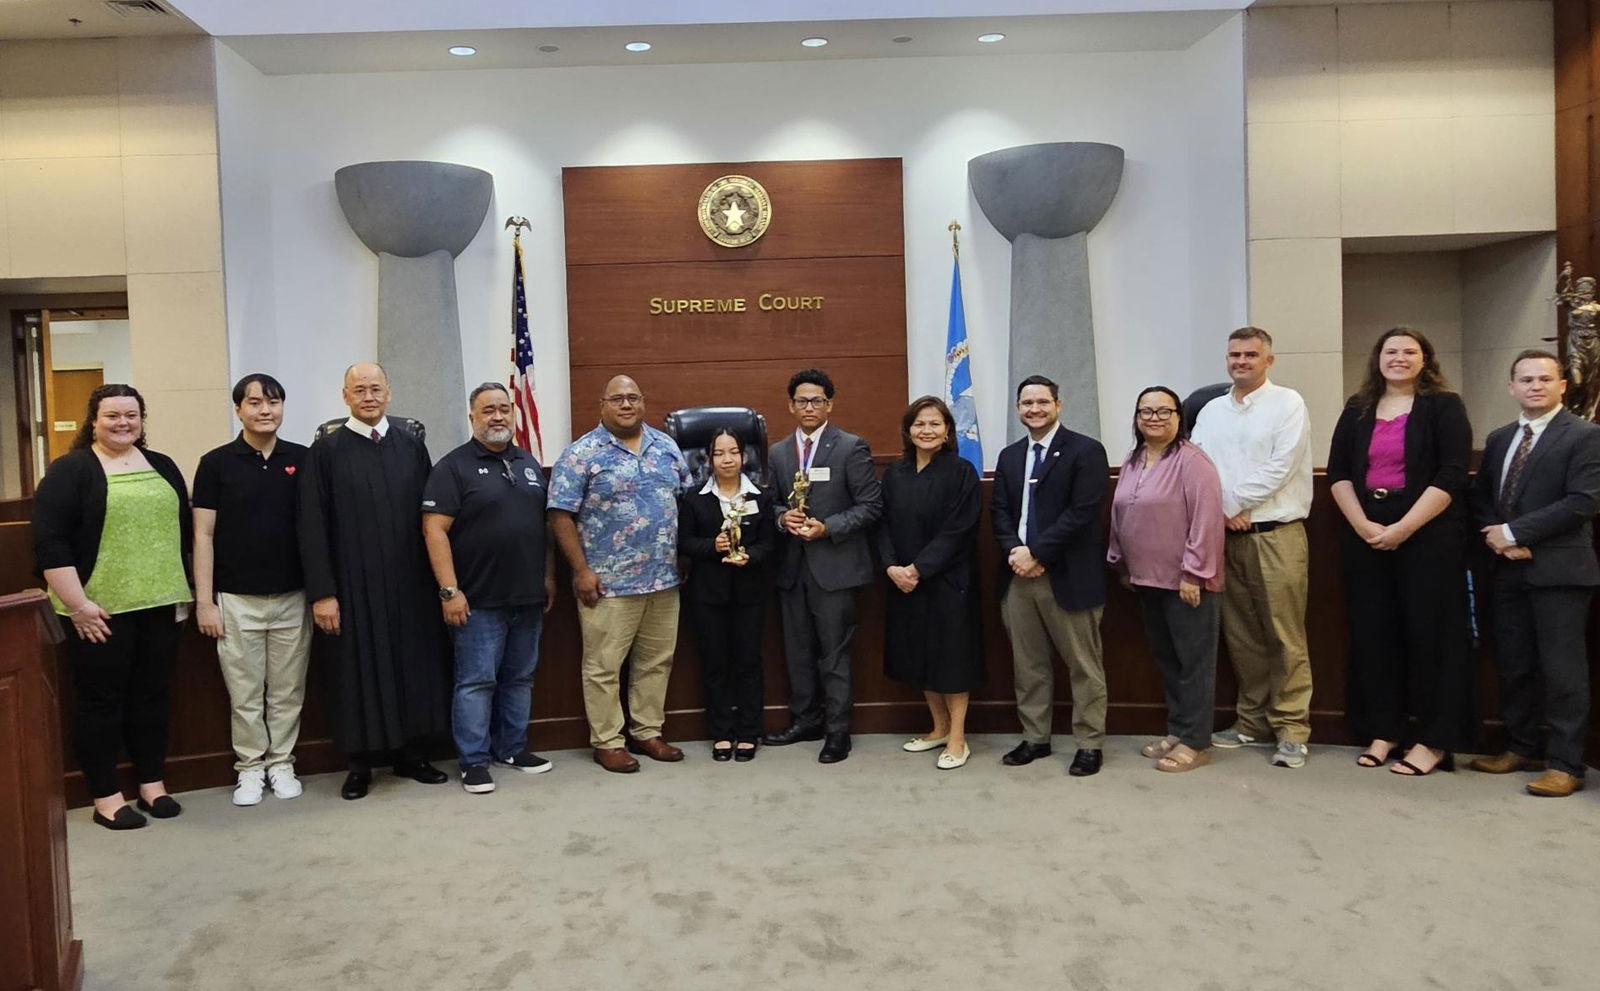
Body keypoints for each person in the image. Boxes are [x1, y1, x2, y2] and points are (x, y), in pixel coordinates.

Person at [32, 384, 192, 830]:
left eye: (131, 415)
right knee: (100, 702)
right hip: (97, 612)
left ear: (142, 420)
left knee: (152, 697)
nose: (123, 423)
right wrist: (78, 605)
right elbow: (50, 543)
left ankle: (152, 785)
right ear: (94, 421)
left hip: (161, 604)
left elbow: (180, 532)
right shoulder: (70, 470)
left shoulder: (162, 465)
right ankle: (106, 797)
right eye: (112, 416)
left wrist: (184, 594)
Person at [1327, 327, 1475, 777]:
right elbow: (1338, 472)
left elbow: (1452, 473)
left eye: (1410, 351)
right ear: (1378, 358)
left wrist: (1404, 528)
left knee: (1432, 639)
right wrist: (1363, 525)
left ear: (1425, 359)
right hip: (1367, 534)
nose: (1399, 358)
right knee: (1375, 636)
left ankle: (1432, 740)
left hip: (1428, 535)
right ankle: (1383, 730)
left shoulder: (1444, 406)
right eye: (1391, 351)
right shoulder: (1358, 407)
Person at [299, 362, 451, 799]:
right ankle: (359, 765)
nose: (368, 396)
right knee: (357, 673)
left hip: (409, 585)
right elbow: (311, 525)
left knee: (410, 668)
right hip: (352, 587)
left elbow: (431, 518)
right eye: (359, 389)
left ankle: (411, 755)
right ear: (345, 396)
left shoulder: (411, 446)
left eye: (375, 389)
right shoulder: (326, 451)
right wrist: (323, 593)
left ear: (389, 393)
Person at [1469, 350, 1600, 798]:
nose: (1535, 386)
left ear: (1562, 385)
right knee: (1515, 663)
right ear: (1512, 388)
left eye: (1545, 379)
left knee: (1563, 672)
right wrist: (1498, 537)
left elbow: (1583, 501)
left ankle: (1565, 764)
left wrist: (1515, 532)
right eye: (1526, 379)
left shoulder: (1585, 436)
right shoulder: (1501, 438)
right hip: (1506, 567)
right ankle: (1521, 747)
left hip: (1560, 570)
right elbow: (1483, 496)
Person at [548, 374, 691, 773]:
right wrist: (580, 570)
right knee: (603, 667)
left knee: (656, 662)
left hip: (663, 579)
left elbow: (686, 500)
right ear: (602, 405)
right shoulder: (581, 453)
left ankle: (647, 731)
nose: (626, 404)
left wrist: (684, 554)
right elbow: (560, 514)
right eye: (617, 399)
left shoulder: (666, 446)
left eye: (633, 397)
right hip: (607, 583)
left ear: (643, 402)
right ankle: (608, 741)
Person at [422, 383, 557, 795]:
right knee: (476, 683)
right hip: (476, 601)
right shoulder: (452, 467)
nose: (497, 417)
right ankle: (473, 761)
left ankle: (512, 749)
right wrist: (449, 591)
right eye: (488, 410)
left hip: (528, 597)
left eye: (503, 409)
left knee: (520, 678)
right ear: (472, 418)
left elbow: (544, 527)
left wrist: (548, 576)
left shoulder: (528, 462)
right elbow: (434, 530)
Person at [1191, 327, 1315, 769]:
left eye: (1250, 355)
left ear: (1268, 360)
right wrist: (1224, 511)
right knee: (1241, 636)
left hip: (1275, 534)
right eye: (1234, 355)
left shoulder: (1288, 403)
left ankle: (1292, 729)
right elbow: (1198, 465)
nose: (1241, 361)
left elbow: (1282, 465)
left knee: (1284, 635)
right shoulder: (1211, 411)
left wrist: (1232, 504)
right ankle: (1252, 722)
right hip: (1226, 537)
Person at [192, 373, 311, 806]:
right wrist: (205, 602)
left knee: (287, 691)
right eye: (255, 402)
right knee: (244, 694)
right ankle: (250, 768)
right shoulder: (216, 463)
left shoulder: (303, 458)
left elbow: (315, 528)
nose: (265, 410)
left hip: (293, 596)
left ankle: (281, 762)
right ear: (238, 409)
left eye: (273, 402)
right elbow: (203, 534)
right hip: (236, 599)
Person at [992, 375, 1111, 777]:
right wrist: (1016, 552)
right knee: (1029, 666)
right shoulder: (1010, 456)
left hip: (1069, 575)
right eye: (1027, 403)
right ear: (1018, 409)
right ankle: (1035, 737)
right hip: (1017, 576)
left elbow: (1082, 512)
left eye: (1043, 402)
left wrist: (1038, 553)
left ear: (1058, 405)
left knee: (1084, 666)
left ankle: (1089, 743)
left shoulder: (1086, 450)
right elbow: (1000, 512)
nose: (1035, 409)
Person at [763, 368, 883, 764]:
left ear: (829, 404)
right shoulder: (779, 452)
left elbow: (871, 506)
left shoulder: (850, 447)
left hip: (835, 567)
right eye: (802, 401)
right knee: (797, 652)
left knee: (834, 654)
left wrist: (827, 527)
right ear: (790, 406)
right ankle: (805, 721)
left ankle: (838, 731)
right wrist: (783, 518)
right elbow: (770, 503)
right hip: (792, 569)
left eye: (817, 400)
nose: (809, 407)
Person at [1108, 387, 1225, 772]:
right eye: (1146, 411)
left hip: (1186, 583)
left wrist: (1194, 573)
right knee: (1169, 661)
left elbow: (1207, 520)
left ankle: (1196, 742)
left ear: (1179, 416)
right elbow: (1120, 514)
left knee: (1194, 664)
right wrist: (1121, 563)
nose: (1154, 418)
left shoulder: (1193, 461)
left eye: (1163, 411)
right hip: (1146, 580)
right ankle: (1178, 730)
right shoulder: (1134, 459)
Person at [878, 396, 983, 770]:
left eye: (935, 423)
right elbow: (882, 524)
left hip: (948, 581)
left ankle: (958, 738)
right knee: (919, 657)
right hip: (903, 582)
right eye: (919, 424)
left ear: (948, 430)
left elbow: (959, 530)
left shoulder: (962, 472)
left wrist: (918, 569)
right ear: (908, 430)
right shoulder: (895, 474)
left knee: (951, 661)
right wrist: (892, 567)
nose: (927, 430)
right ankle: (938, 728)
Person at [677, 428, 776, 762]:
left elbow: (769, 543)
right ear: (708, 459)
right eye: (719, 453)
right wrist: (712, 546)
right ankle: (721, 732)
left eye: (733, 452)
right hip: (708, 594)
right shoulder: (694, 498)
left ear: (744, 456)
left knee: (749, 662)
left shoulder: (760, 496)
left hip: (750, 592)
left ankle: (749, 732)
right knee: (715, 664)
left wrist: (752, 555)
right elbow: (684, 542)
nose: (727, 459)